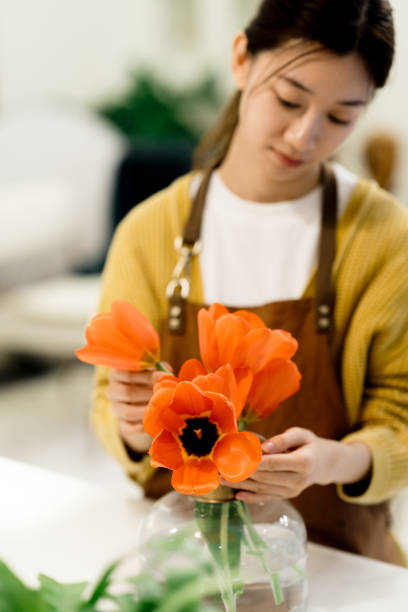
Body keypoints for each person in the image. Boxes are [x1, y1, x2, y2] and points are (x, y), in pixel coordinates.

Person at [91, 0, 408, 565]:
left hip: (337, 563)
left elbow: (400, 415)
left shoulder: (383, 236)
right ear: (241, 59)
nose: (303, 136)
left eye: (340, 117)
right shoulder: (149, 231)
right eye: (288, 99)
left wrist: (330, 461)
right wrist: (136, 424)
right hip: (184, 564)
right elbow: (110, 409)